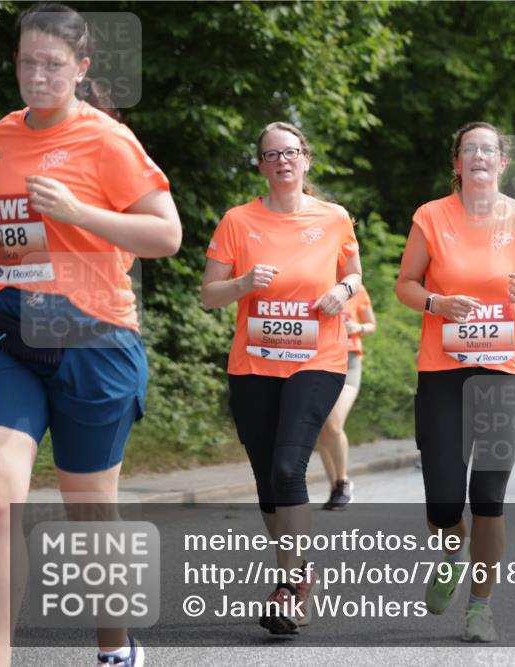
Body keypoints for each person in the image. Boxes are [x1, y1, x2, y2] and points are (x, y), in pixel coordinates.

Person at [0, 5, 182, 666]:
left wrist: (79, 212)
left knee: (89, 517)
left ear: (81, 67)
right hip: (14, 335)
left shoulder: (107, 141)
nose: (38, 76)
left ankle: (115, 642)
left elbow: (167, 235)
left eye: (52, 64)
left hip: (92, 341)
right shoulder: (7, 134)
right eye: (27, 62)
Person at [396, 121, 515, 642]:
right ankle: (452, 553)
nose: (478, 157)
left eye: (488, 149)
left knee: (489, 494)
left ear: (502, 162)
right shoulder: (431, 216)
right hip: (444, 371)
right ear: (456, 163)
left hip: (507, 370)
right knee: (445, 503)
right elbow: (405, 285)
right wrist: (436, 303)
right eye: (468, 149)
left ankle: (480, 607)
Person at [202, 121, 361, 634]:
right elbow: (210, 293)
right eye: (271, 155)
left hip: (318, 360)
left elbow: (355, 274)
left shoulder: (334, 218)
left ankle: (292, 588)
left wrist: (345, 292)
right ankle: (296, 571)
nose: (282, 161)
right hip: (253, 365)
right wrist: (244, 283)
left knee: (289, 467)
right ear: (261, 166)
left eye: (291, 152)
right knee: (266, 480)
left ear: (306, 160)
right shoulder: (237, 221)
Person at [314, 284, 375, 510]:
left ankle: (343, 481)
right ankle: (335, 489)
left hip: (349, 363)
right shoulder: (315, 282)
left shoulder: (357, 289)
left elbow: (372, 326)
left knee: (333, 422)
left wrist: (357, 327)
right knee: (322, 427)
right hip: (319, 361)